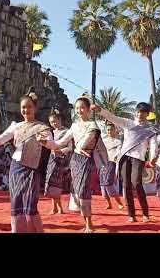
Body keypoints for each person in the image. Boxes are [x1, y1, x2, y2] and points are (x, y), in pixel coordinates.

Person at [0, 88, 52, 233]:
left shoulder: (42, 127)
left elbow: (51, 143)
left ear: (35, 108)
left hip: (31, 169)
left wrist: (45, 141)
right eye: (23, 107)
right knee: (16, 202)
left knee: (30, 204)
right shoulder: (16, 126)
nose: (26, 110)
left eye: (29, 107)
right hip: (16, 169)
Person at [38, 95, 108, 233]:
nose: (79, 110)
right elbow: (60, 143)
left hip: (87, 160)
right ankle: (86, 222)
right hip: (75, 160)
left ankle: (89, 224)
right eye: (77, 108)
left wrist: (80, 147)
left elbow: (88, 139)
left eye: (82, 107)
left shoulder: (93, 126)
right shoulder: (74, 126)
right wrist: (45, 142)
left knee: (83, 191)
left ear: (88, 109)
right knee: (76, 191)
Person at [91, 102, 158, 223]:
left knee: (137, 183)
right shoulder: (128, 123)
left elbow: (154, 144)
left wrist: (153, 156)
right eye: (138, 111)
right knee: (126, 185)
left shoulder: (150, 129)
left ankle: (145, 213)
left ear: (147, 114)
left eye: (142, 112)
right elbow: (113, 117)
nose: (139, 114)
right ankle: (131, 215)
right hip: (124, 157)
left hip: (139, 157)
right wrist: (100, 110)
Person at [44, 109, 73, 215]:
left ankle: (58, 208)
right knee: (51, 183)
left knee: (56, 184)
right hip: (52, 159)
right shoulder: (51, 132)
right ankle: (55, 207)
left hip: (61, 160)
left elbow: (70, 147)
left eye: (55, 121)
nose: (54, 124)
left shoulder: (67, 132)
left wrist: (60, 151)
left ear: (60, 120)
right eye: (51, 122)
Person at [100, 122, 124, 210]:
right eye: (108, 130)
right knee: (102, 184)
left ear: (115, 130)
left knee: (108, 183)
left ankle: (119, 203)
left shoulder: (118, 141)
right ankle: (109, 204)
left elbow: (119, 152)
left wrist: (115, 157)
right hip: (102, 164)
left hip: (111, 163)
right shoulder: (103, 140)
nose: (110, 131)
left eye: (111, 129)